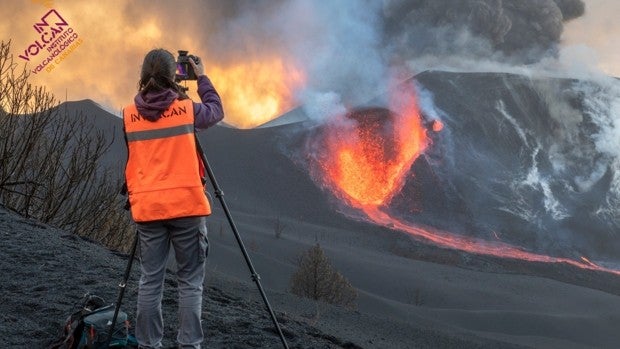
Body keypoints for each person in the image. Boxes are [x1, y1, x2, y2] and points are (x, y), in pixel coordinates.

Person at [122, 48, 224, 349]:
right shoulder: (187, 109)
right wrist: (202, 77)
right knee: (190, 282)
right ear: (174, 76)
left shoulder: (128, 116)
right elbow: (215, 111)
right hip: (187, 207)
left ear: (143, 76)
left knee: (150, 280)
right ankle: (189, 345)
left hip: (149, 210)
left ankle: (148, 344)